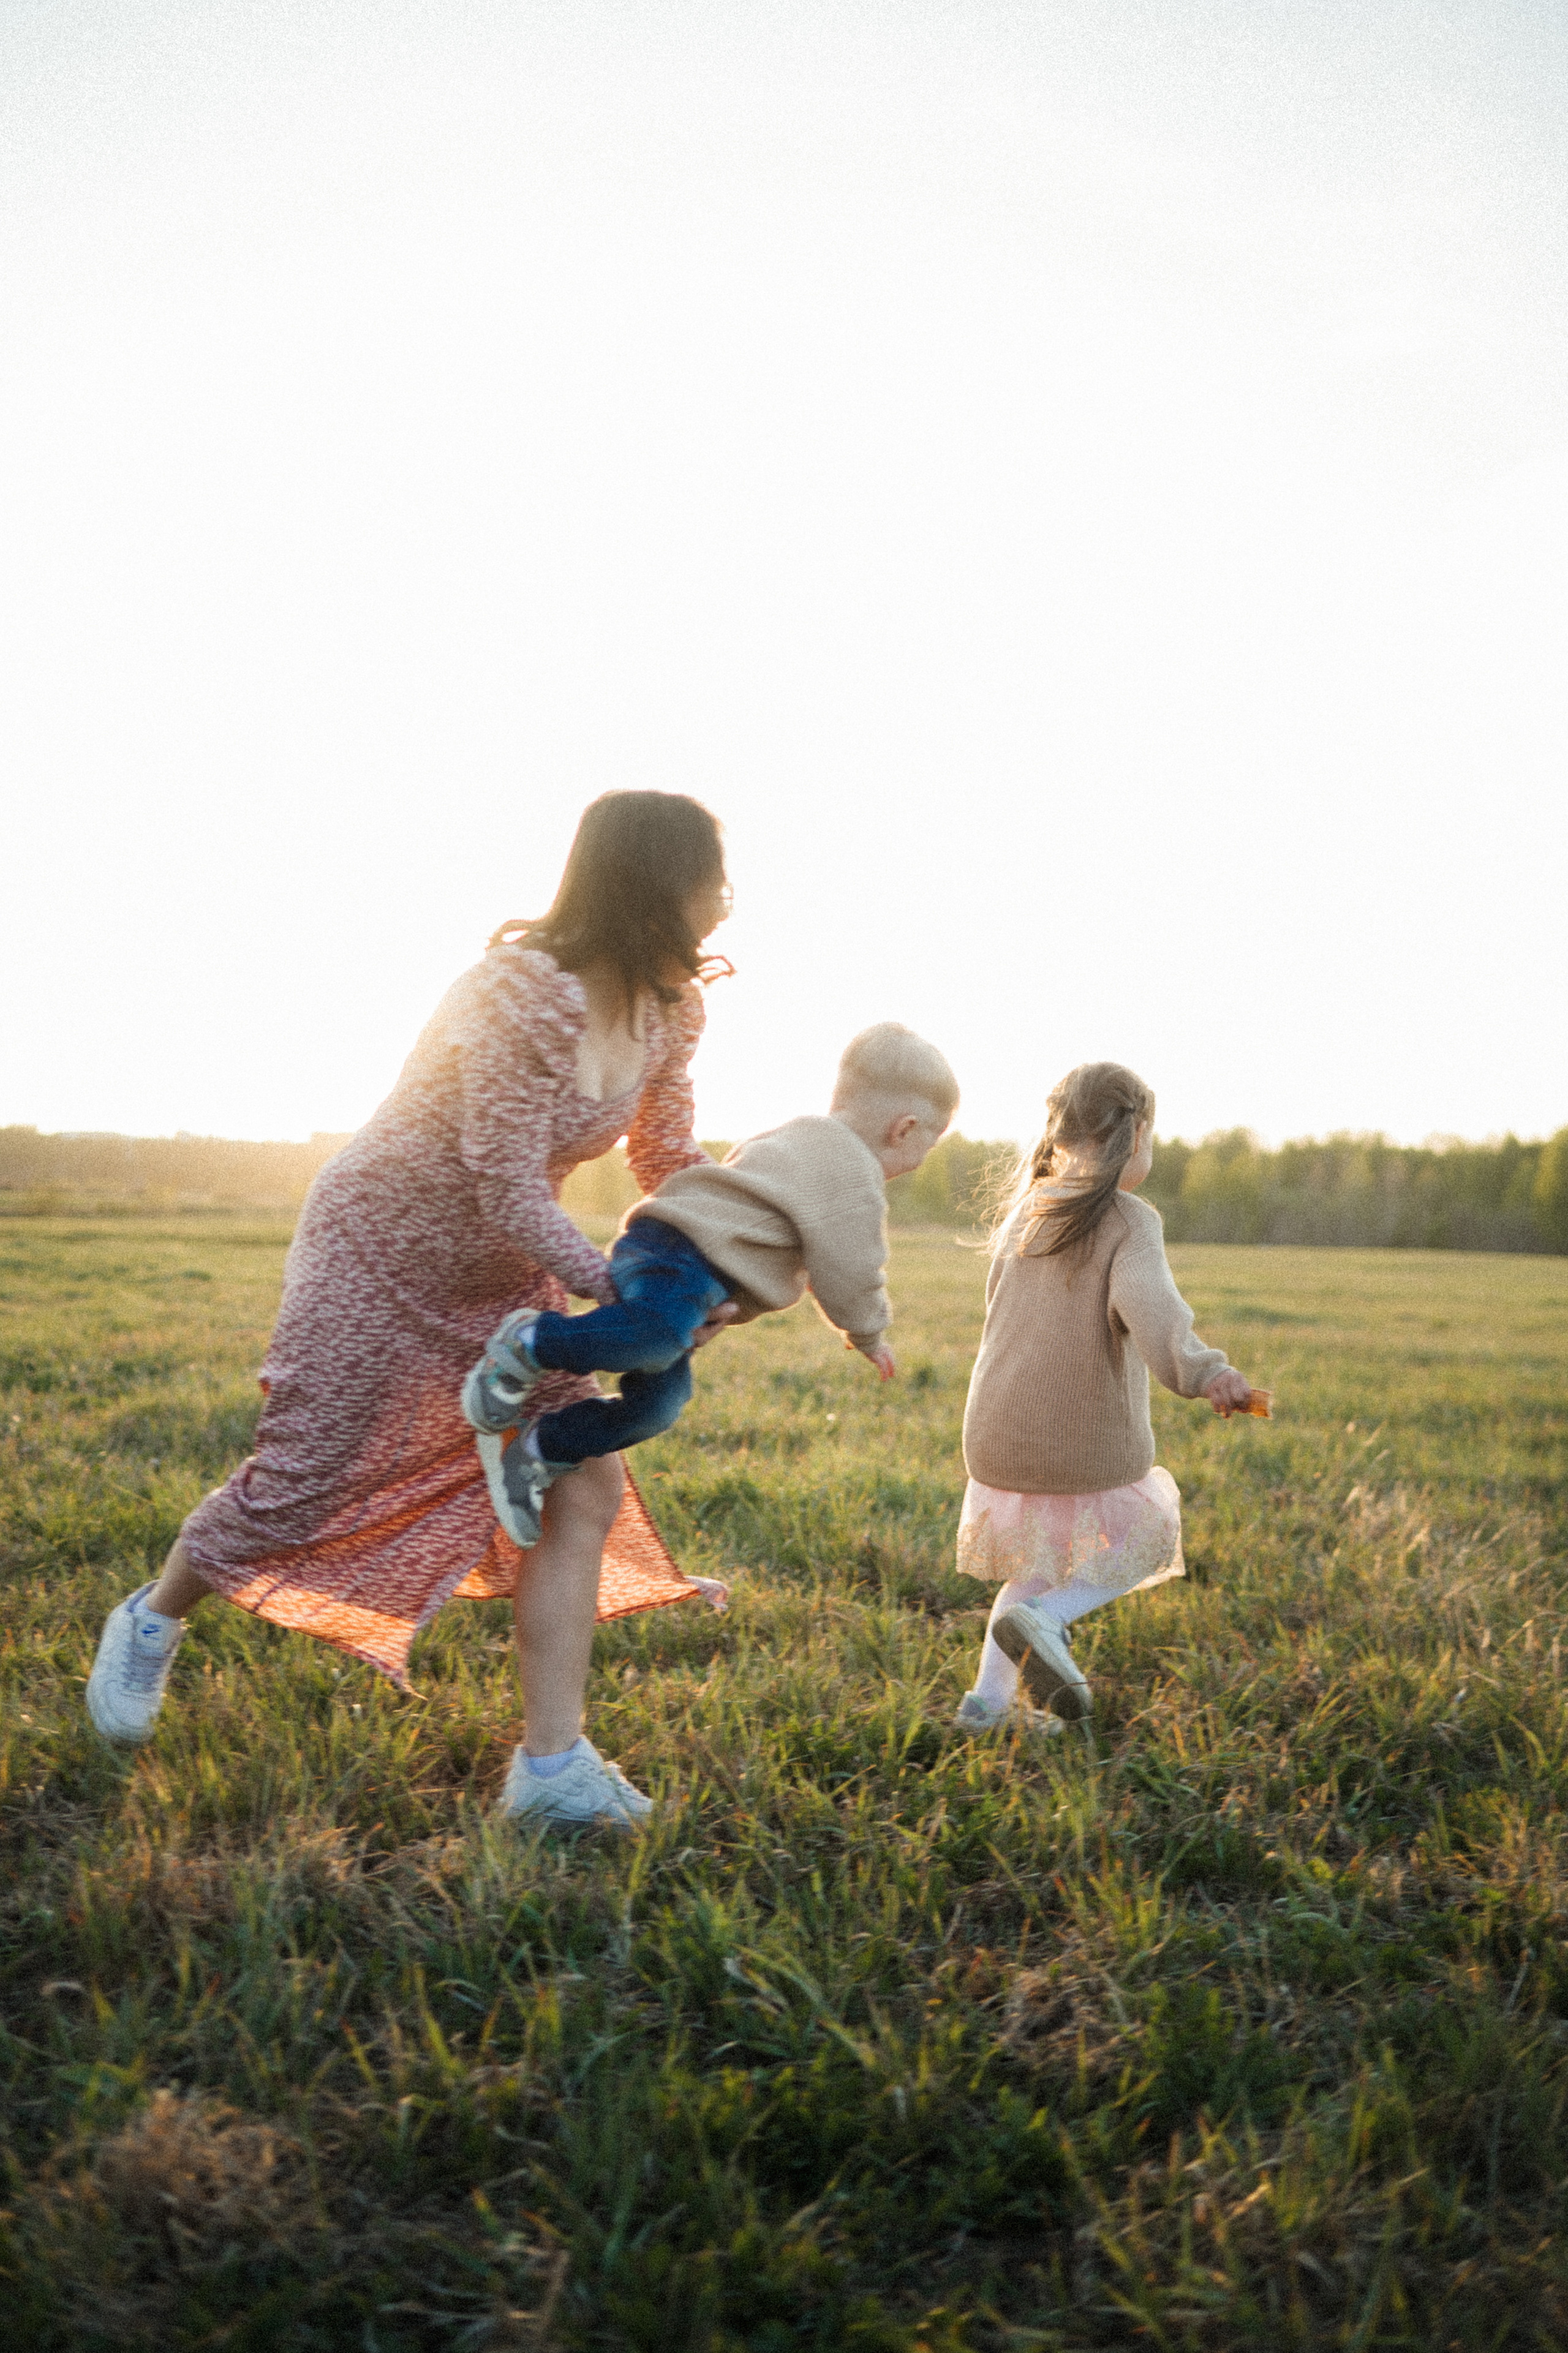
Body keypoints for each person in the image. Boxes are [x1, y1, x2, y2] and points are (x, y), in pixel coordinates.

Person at [85, 790, 740, 1829]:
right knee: (302, 1484)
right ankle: (153, 1618)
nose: (728, 898)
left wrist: (725, 1253)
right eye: (715, 877)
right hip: (378, 1248)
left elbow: (664, 1154)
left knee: (581, 1477)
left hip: (507, 1273)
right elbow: (505, 1183)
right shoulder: (516, 993)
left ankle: (552, 1767)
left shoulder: (672, 1009)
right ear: (659, 883)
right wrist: (621, 1292)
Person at [461, 1023, 959, 1544]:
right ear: (904, 1129)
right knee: (654, 1339)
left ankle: (539, 1452)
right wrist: (869, 1335)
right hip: (682, 1255)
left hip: (672, 1259)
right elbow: (853, 1269)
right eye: (923, 1153)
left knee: (659, 1407)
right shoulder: (854, 1172)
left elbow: (805, 1245)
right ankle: (529, 1344)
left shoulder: (798, 1134)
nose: (913, 1166)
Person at [952, 1061, 1264, 1732]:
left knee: (1032, 1570)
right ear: (1138, 1133)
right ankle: (1048, 1620)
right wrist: (1205, 1372)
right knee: (1147, 1539)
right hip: (1076, 1438)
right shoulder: (1128, 1220)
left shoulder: (1026, 1209)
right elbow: (1155, 1314)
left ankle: (985, 1706)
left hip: (995, 1433)